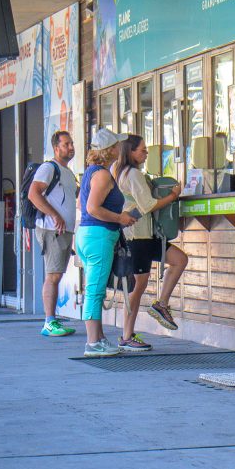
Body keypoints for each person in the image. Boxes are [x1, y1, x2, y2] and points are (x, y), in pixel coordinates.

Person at [112, 134, 187, 351]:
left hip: (146, 233)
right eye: (143, 150)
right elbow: (148, 205)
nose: (146, 154)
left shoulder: (122, 173)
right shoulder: (133, 174)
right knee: (138, 286)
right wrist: (172, 196)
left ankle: (161, 303)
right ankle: (127, 335)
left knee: (179, 260)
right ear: (131, 152)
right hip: (138, 235)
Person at [75, 128, 137, 357]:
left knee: (96, 288)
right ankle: (92, 342)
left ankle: (99, 338)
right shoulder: (101, 175)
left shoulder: (91, 172)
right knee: (95, 290)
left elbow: (82, 206)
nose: (121, 149)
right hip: (99, 236)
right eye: (117, 145)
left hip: (90, 235)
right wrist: (120, 218)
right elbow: (92, 208)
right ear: (110, 149)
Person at [28, 130, 78, 337]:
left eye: (71, 143)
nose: (70, 147)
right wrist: (55, 216)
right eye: (66, 144)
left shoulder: (67, 171)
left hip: (63, 230)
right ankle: (49, 321)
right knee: (53, 275)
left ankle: (52, 319)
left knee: (56, 275)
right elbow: (33, 194)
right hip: (51, 229)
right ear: (56, 148)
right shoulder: (49, 168)